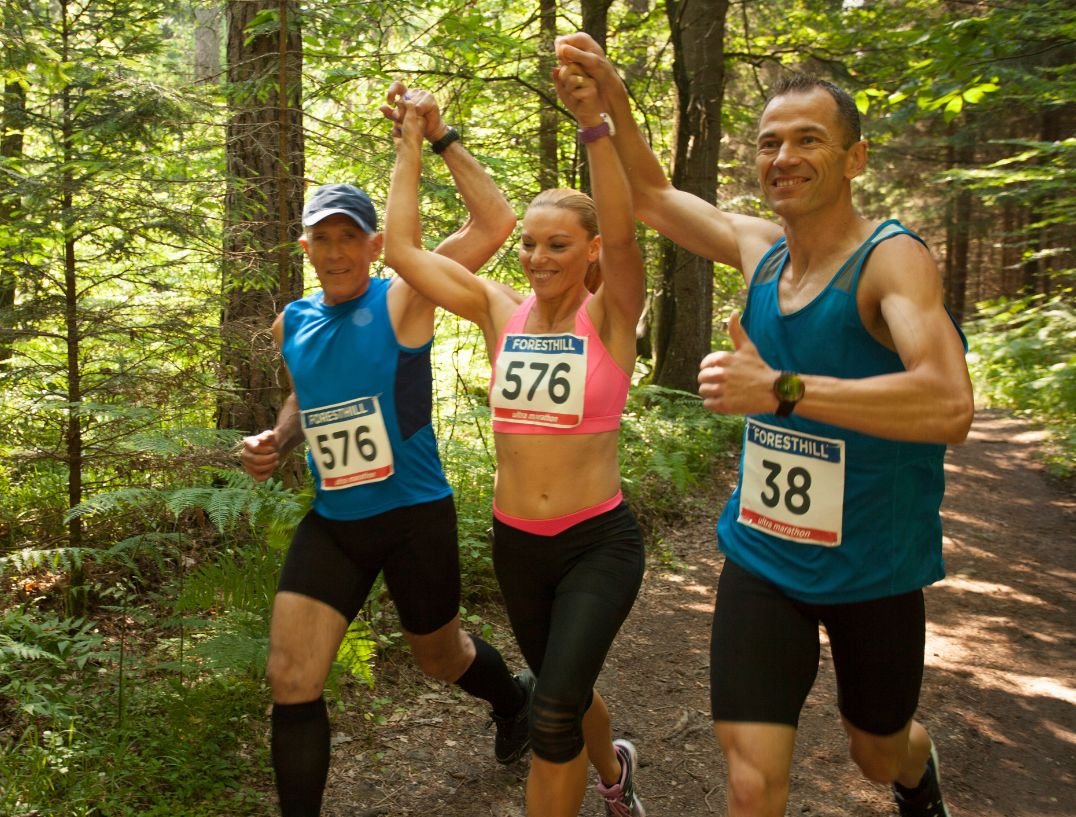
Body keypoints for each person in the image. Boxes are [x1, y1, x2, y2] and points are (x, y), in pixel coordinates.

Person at [556, 33, 974, 817]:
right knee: (750, 779)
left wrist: (781, 388)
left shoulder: (892, 260)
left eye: (809, 139)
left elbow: (949, 404)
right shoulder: (761, 250)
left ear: (855, 159)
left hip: (875, 566)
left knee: (877, 748)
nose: (784, 156)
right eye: (770, 143)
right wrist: (605, 101)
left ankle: (918, 773)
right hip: (766, 555)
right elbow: (650, 198)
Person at [239, 84, 533, 817]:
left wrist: (432, 137)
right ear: (304, 247)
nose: (335, 252)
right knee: (290, 675)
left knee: (441, 656)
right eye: (322, 238)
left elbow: (496, 223)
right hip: (335, 520)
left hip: (413, 515)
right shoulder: (291, 321)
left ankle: (512, 701)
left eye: (350, 237)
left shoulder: (406, 294)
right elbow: (306, 395)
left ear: (374, 244)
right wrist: (276, 440)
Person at [383, 56, 649, 817]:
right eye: (529, 244)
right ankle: (615, 771)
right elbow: (403, 252)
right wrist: (419, 139)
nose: (536, 259)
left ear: (591, 250)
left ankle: (591, 777)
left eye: (558, 245)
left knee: (552, 708)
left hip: (598, 540)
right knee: (568, 691)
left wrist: (596, 123)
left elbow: (627, 231)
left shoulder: (612, 316)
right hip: (517, 544)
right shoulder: (501, 311)